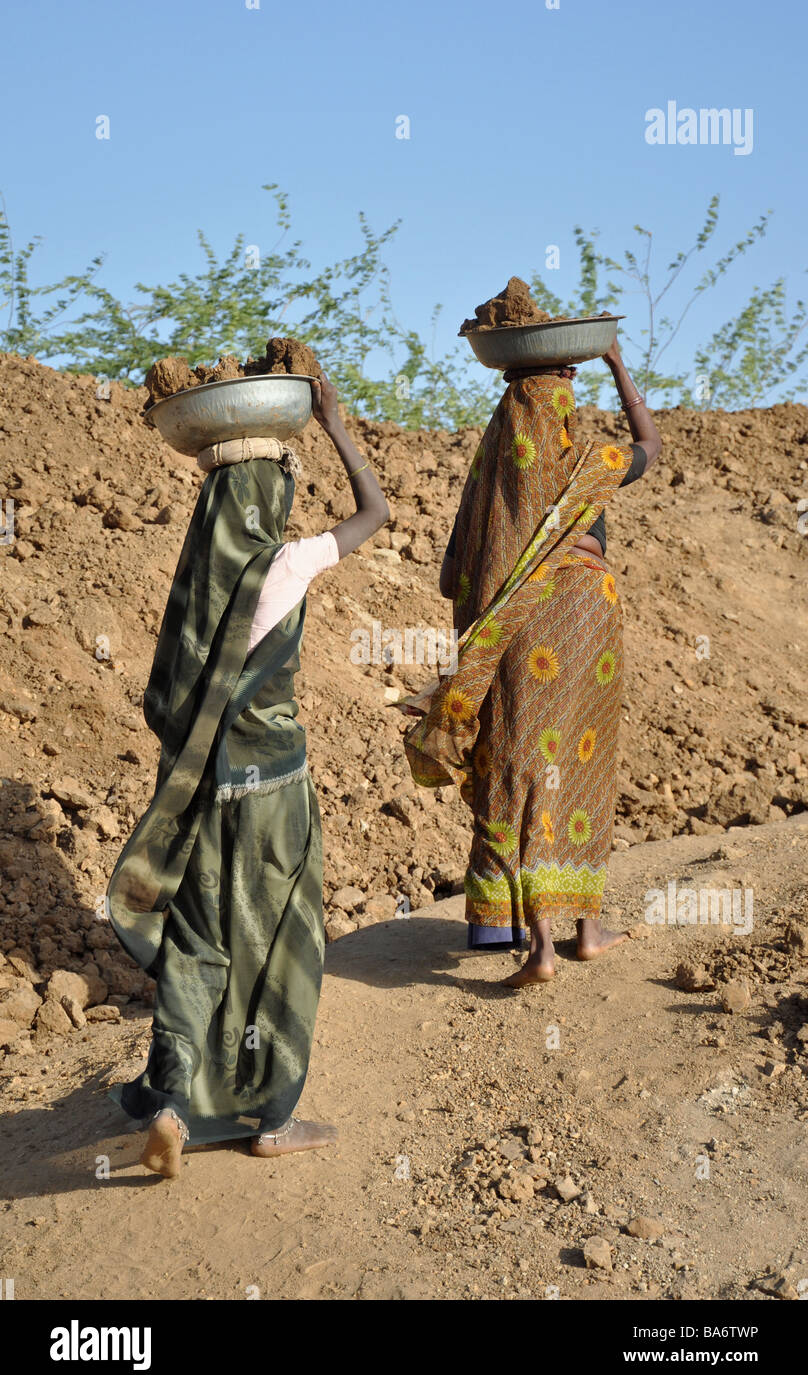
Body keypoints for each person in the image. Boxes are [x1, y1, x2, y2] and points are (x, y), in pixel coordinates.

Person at [106, 370, 388, 1176]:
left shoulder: (196, 579)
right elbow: (377, 514)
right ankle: (272, 1116)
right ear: (269, 492)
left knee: (200, 945)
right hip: (273, 795)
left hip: (199, 792)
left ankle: (172, 1105)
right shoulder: (287, 562)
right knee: (282, 942)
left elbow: (164, 700)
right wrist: (335, 425)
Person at [402, 333, 661, 986]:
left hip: (526, 626)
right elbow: (651, 448)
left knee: (524, 763)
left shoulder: (492, 475)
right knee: (582, 765)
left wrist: (494, 593)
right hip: (594, 616)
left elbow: (451, 571)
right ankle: (587, 932)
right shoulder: (591, 464)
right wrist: (619, 365)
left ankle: (540, 948)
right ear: (567, 404)